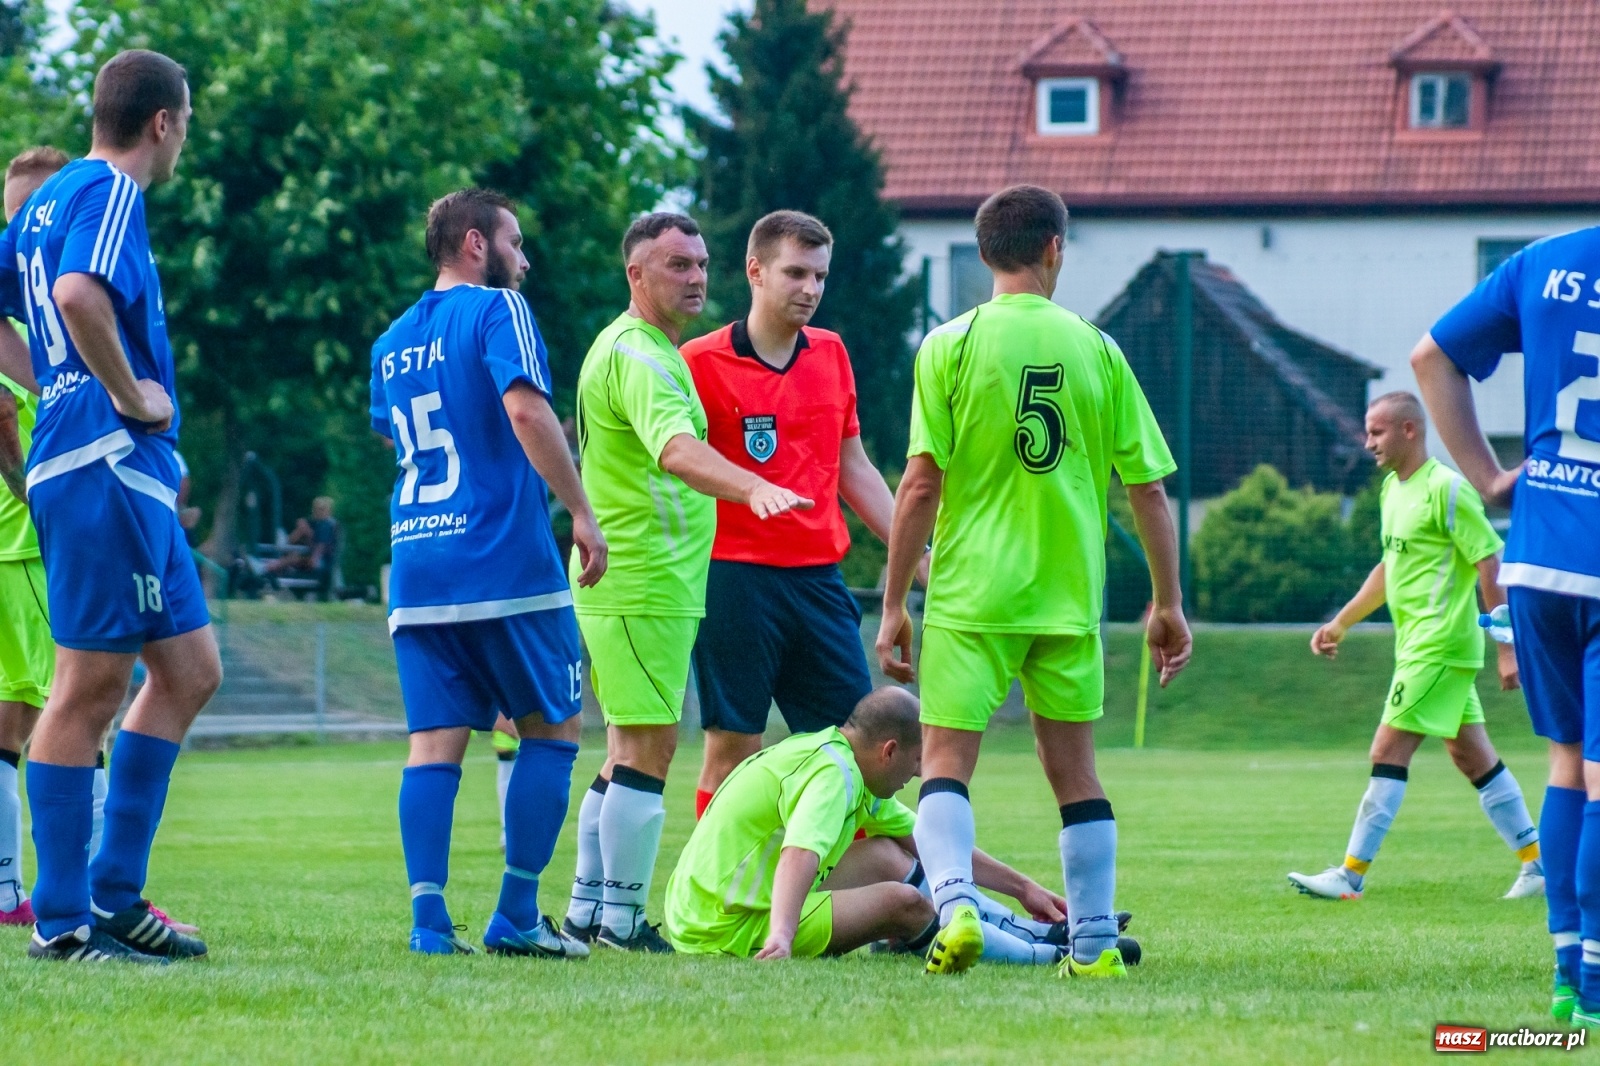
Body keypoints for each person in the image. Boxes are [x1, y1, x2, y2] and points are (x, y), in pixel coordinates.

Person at [876, 184, 1191, 978]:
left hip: (971, 593)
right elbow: (1148, 488)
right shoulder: (1098, 348)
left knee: (945, 759)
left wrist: (893, 603)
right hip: (1066, 594)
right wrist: (1167, 604)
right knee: (1074, 770)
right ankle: (1091, 947)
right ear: (1055, 248)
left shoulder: (947, 345)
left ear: (985, 254)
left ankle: (955, 909)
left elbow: (918, 485)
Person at [0, 50, 220, 964]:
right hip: (102, 457)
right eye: (188, 123)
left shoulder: (35, 208)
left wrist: (49, 382)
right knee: (86, 687)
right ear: (162, 122)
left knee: (190, 669)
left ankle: (115, 894)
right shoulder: (109, 191)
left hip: (104, 463)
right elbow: (77, 294)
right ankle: (61, 918)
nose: (185, 140)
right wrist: (125, 392)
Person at [561, 212, 811, 953]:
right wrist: (750, 488)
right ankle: (623, 921)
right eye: (677, 265)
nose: (697, 277)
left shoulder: (638, 348)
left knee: (622, 751)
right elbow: (675, 450)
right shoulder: (638, 354)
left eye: (702, 264)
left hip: (641, 581)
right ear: (636, 275)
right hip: (640, 581)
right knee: (650, 750)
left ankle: (589, 912)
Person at [369, 188, 605, 958]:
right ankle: (516, 915)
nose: (525, 258)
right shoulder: (498, 311)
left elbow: (395, 443)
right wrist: (581, 512)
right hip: (503, 561)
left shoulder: (390, 341)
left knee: (433, 743)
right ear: (477, 245)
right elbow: (529, 413)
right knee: (554, 726)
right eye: (517, 241)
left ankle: (428, 922)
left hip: (418, 564)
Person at [1411, 228, 1600, 1026]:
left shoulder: (1546, 259)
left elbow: (1429, 357)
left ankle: (1567, 972)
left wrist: (1489, 477)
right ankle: (1592, 986)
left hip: (1536, 558)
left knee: (1567, 764)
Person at [681, 210, 929, 817]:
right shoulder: (698, 363)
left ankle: (860, 892)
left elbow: (855, 469)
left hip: (819, 579)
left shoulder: (831, 353)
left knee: (857, 747)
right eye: (796, 274)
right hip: (734, 577)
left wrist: (916, 554)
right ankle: (719, 893)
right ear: (755, 271)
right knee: (735, 746)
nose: (811, 290)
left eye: (820, 276)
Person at [1288, 392, 1542, 901]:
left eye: (1377, 432)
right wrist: (1341, 623)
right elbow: (1389, 570)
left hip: (1440, 645)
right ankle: (1538, 868)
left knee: (1386, 749)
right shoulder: (1390, 491)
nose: (1368, 443)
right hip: (1419, 649)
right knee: (1472, 757)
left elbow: (1489, 562)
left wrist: (1507, 647)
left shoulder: (1448, 491)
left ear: (1409, 430)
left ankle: (1350, 875)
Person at [666, 686, 1121, 964]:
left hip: (710, 905)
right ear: (888, 750)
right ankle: (1049, 956)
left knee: (888, 855)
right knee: (906, 905)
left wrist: (1024, 889)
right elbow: (799, 853)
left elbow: (931, 843)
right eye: (916, 761)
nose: (920, 774)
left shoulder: (843, 759)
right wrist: (782, 935)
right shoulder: (834, 778)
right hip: (723, 926)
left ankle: (1044, 930)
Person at [0, 145, 69, 927]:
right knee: (80, 705)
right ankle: (79, 893)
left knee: (11, 720)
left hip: (13, 547)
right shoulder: (33, 319)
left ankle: (8, 892)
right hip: (27, 545)